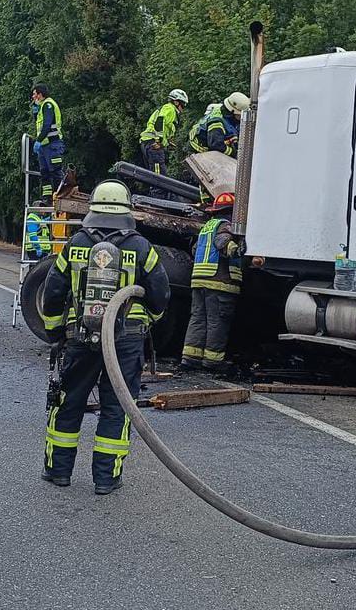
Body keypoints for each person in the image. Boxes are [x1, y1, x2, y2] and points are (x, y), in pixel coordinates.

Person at [39, 180, 170, 495]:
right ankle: (106, 478)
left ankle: (58, 472)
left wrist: (56, 331)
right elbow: (160, 294)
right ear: (127, 210)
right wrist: (146, 321)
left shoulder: (76, 243)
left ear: (92, 208)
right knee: (117, 406)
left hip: (81, 338)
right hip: (125, 342)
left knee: (69, 401)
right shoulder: (140, 246)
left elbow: (53, 290)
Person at [181, 192, 241, 373]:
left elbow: (194, 249)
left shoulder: (207, 227)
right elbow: (223, 242)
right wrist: (237, 250)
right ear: (232, 211)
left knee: (198, 318)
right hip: (219, 281)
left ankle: (190, 358)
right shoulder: (225, 226)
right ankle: (213, 361)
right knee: (217, 321)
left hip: (199, 280)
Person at [139, 88, 189, 177]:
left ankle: (156, 190)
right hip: (153, 144)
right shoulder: (170, 108)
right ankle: (158, 191)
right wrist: (158, 141)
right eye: (183, 104)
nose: (183, 108)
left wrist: (167, 142)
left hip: (148, 143)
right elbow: (160, 121)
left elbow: (163, 127)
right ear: (176, 102)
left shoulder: (167, 109)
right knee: (159, 176)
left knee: (155, 173)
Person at [30, 83, 64, 200]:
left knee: (55, 172)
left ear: (40, 94)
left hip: (53, 144)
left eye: (34, 94)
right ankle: (47, 198)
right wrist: (35, 111)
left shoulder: (48, 105)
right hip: (44, 146)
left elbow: (47, 125)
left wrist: (38, 140)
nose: (33, 97)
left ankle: (59, 196)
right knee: (44, 174)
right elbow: (39, 123)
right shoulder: (41, 107)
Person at [191, 92, 250, 157]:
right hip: (201, 150)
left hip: (213, 141)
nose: (242, 118)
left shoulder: (225, 113)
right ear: (232, 111)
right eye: (240, 115)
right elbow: (216, 146)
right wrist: (235, 153)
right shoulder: (217, 123)